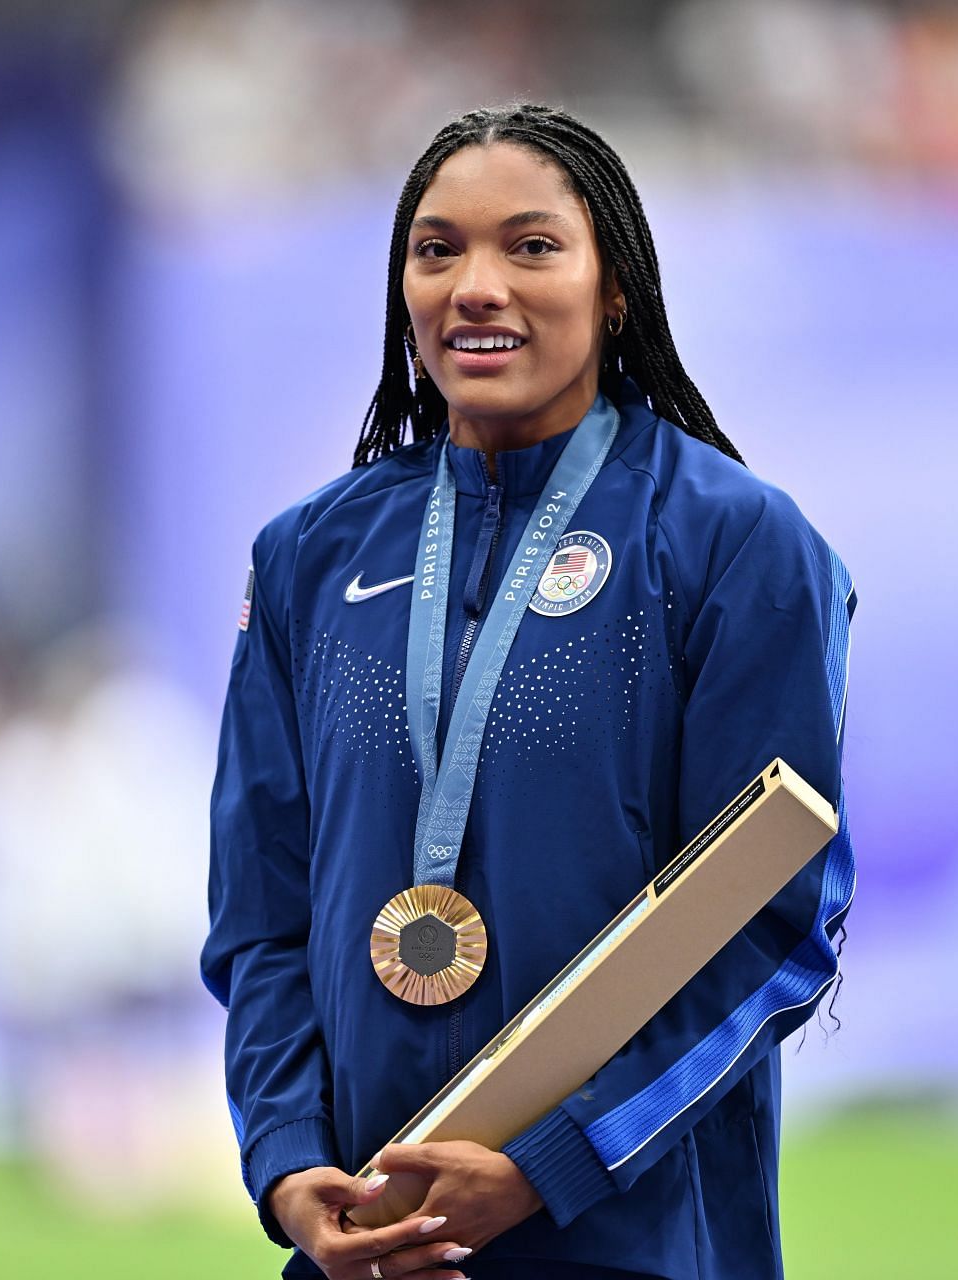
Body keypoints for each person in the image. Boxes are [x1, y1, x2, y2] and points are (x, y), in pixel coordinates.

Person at [202, 103, 856, 1280]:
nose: (477, 285)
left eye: (532, 245)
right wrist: (293, 1168)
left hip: (634, 1239)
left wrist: (554, 1160)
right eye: (437, 248)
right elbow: (262, 911)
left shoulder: (731, 542)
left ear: (615, 287)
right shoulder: (306, 555)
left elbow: (774, 918)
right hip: (368, 1243)